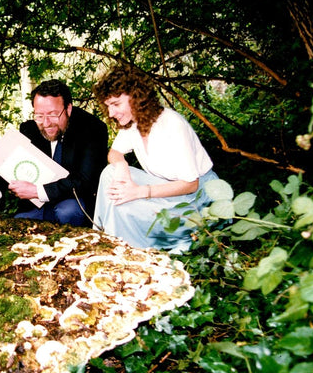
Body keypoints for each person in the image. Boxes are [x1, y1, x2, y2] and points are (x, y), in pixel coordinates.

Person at [92, 65, 219, 253]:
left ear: (136, 97)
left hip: (197, 199)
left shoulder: (172, 124)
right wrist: (121, 165)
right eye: (108, 106)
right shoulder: (133, 125)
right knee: (110, 173)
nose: (111, 113)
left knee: (124, 206)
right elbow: (114, 153)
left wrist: (139, 192)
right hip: (166, 190)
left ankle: (122, 246)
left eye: (116, 104)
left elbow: (191, 184)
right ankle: (107, 236)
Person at [0, 79, 108, 226]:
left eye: (53, 115)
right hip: (35, 208)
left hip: (74, 205)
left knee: (68, 212)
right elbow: (4, 167)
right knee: (20, 225)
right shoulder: (29, 129)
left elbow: (85, 181)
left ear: (68, 108)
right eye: (40, 116)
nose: (46, 123)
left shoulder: (93, 129)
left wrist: (38, 191)